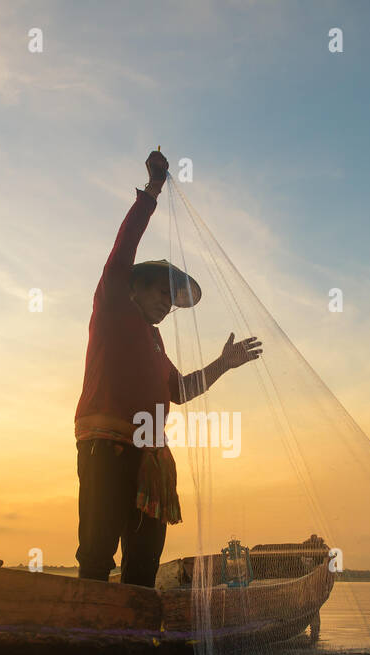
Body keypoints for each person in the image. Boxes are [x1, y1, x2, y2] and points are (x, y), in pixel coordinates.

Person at [74, 149, 262, 587]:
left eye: (170, 299)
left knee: (143, 558)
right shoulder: (113, 310)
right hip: (106, 444)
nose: (166, 304)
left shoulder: (155, 341)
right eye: (160, 293)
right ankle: (89, 623)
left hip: (150, 457)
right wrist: (153, 191)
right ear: (134, 290)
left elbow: (179, 389)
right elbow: (122, 251)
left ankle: (134, 634)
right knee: (99, 548)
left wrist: (222, 364)